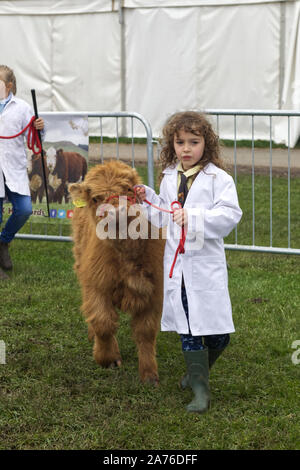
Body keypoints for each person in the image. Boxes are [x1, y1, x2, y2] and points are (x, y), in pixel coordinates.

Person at [136, 111, 242, 413]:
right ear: (172, 143)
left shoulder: (218, 179)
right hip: (177, 268)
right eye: (180, 142)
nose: (186, 148)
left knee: (219, 336)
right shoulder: (170, 176)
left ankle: (199, 372)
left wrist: (194, 217)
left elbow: (229, 216)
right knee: (189, 331)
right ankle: (200, 389)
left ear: (205, 144)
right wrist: (148, 198)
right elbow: (164, 214)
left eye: (193, 142)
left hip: (204, 266)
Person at [0, 65, 45, 280]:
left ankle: (4, 241)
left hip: (13, 167)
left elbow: (35, 139)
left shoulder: (23, 107)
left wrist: (39, 128)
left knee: (24, 209)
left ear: (8, 86)